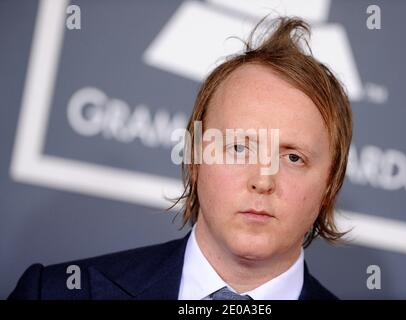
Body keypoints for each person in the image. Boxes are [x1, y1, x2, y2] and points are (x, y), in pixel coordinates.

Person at [9, 16, 352, 300]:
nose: (262, 180)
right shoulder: (56, 293)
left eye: (293, 158)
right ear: (194, 157)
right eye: (238, 147)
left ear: (329, 183)